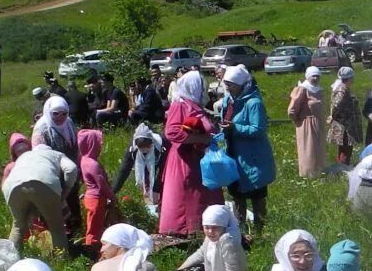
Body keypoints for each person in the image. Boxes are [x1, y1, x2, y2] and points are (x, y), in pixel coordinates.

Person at [159, 69, 220, 237]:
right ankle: (185, 229)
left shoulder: (192, 104)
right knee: (188, 195)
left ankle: (202, 228)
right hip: (184, 159)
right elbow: (172, 132)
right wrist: (201, 138)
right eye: (200, 86)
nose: (203, 90)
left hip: (197, 157)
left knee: (200, 194)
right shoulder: (180, 104)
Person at [219, 65, 276, 235]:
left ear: (241, 84)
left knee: (257, 196)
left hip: (253, 157)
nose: (227, 88)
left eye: (231, 84)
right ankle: (240, 232)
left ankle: (260, 232)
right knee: (237, 196)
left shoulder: (253, 103)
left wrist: (235, 127)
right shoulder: (229, 100)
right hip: (234, 155)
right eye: (226, 84)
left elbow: (258, 129)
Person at [3, 142, 79, 254]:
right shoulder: (57, 155)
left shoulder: (25, 156)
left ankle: (11, 258)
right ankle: (61, 259)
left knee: (18, 226)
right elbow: (71, 169)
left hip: (11, 186)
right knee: (56, 226)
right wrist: (67, 188)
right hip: (43, 182)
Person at [176, 203, 248, 271]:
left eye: (215, 227)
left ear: (224, 227)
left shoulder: (227, 241)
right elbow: (199, 255)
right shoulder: (210, 238)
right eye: (207, 227)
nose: (210, 231)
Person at [75, 128, 123, 248]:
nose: (100, 146)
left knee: (94, 223)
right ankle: (91, 247)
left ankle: (94, 245)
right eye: (97, 142)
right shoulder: (93, 164)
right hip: (96, 199)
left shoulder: (84, 160)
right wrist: (112, 197)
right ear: (91, 144)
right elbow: (102, 185)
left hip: (91, 197)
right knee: (95, 226)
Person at [112, 122, 168, 212]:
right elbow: (124, 171)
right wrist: (113, 191)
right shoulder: (132, 150)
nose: (145, 151)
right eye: (142, 149)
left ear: (152, 143)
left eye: (147, 147)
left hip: (162, 164)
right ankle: (151, 209)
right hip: (143, 166)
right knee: (148, 193)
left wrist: (156, 189)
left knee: (161, 190)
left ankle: (162, 206)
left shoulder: (161, 146)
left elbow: (163, 170)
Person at [288, 66, 327, 179]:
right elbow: (292, 109)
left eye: (317, 76)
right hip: (306, 124)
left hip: (318, 123)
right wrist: (297, 120)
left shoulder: (319, 89)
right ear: (308, 76)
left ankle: (319, 171)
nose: (315, 78)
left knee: (318, 148)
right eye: (313, 76)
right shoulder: (302, 89)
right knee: (308, 149)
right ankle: (308, 174)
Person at [327, 66, 362, 166]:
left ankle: (341, 166)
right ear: (349, 78)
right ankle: (343, 168)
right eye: (352, 78)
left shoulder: (341, 87)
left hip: (343, 123)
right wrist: (336, 116)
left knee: (344, 148)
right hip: (344, 125)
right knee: (346, 148)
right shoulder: (342, 89)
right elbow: (337, 105)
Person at [31, 94, 80, 163]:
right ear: (48, 112)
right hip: (53, 166)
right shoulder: (40, 130)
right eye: (55, 113)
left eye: (64, 113)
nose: (60, 116)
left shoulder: (68, 122)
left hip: (73, 164)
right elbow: (39, 156)